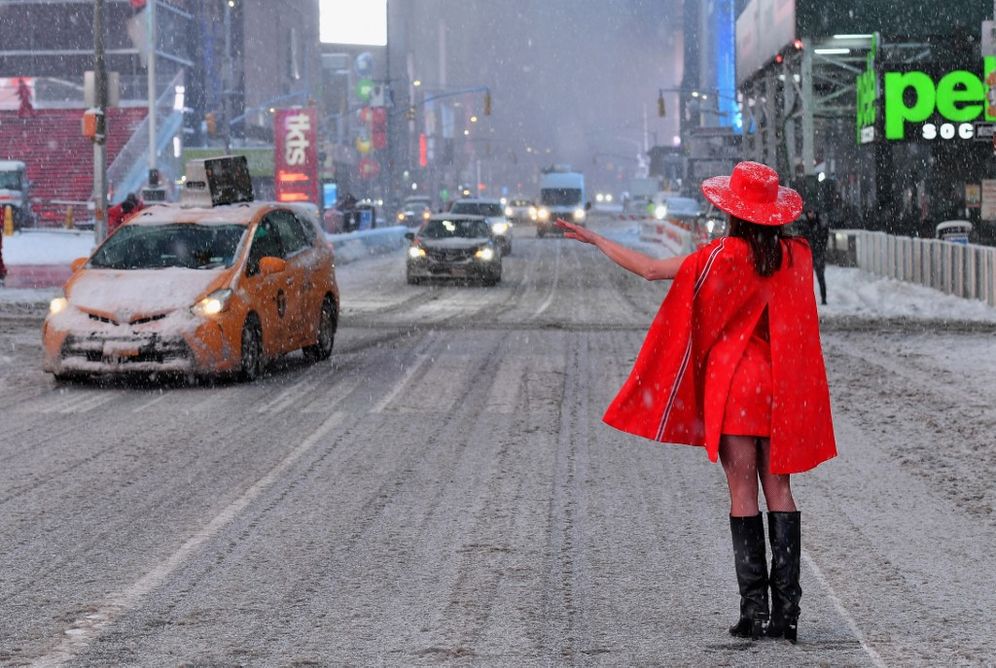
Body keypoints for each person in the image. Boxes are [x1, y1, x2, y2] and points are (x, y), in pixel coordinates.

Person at [557, 161, 836, 644]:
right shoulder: (795, 258)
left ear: (733, 212)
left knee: (742, 494)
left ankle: (754, 612)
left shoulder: (717, 257)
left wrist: (597, 240)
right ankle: (787, 617)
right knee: (781, 492)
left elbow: (649, 270)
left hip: (735, 390)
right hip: (780, 388)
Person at [800, 207, 829, 305]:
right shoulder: (805, 225)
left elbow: (824, 237)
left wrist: (820, 249)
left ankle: (823, 299)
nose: (811, 214)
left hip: (818, 254)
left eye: (812, 212)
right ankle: (807, 300)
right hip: (809, 255)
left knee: (820, 278)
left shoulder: (819, 224)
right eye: (809, 212)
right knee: (807, 279)